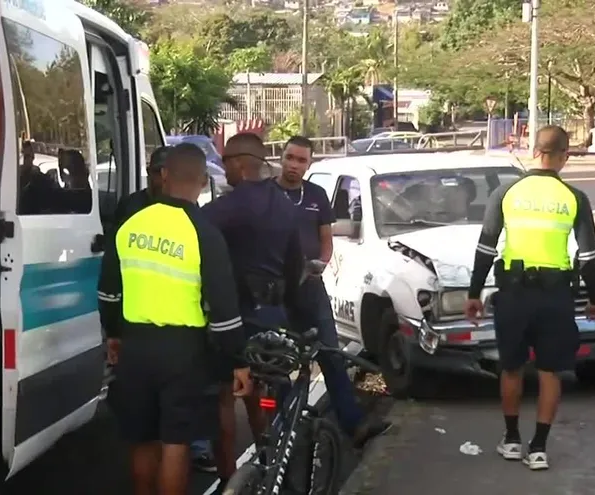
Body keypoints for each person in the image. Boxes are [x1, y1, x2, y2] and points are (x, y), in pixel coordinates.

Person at [97, 143, 252, 495]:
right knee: (175, 443)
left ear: (164, 176)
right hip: (184, 353)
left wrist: (114, 335)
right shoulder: (204, 232)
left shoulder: (130, 226)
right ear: (201, 183)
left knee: (142, 440)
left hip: (135, 347)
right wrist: (237, 362)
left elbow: (108, 292)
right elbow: (224, 309)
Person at [464, 125, 595, 471]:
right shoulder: (574, 197)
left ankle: (511, 440)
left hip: (513, 293)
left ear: (532, 150)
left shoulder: (505, 193)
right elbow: (588, 256)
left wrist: (474, 293)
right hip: (556, 296)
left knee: (510, 367)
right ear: (564, 157)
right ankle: (538, 448)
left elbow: (485, 247)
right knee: (550, 371)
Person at [201, 132, 304, 492]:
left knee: (225, 398)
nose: (223, 169)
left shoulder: (225, 208)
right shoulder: (285, 207)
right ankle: (273, 467)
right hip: (273, 313)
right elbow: (296, 266)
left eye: (226, 161)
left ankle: (229, 479)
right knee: (265, 392)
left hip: (234, 317)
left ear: (240, 164)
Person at [274, 135, 392, 447]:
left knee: (330, 354)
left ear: (308, 164)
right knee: (278, 364)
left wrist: (321, 264)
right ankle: (286, 433)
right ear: (281, 158)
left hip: (312, 289)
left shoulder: (315, 195)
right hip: (276, 293)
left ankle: (353, 425)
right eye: (290, 157)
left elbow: (326, 238)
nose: (294, 165)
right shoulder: (267, 195)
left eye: (301, 160)